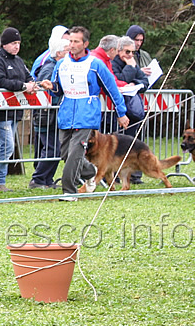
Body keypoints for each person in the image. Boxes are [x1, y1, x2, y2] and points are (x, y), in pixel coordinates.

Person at [40, 26, 129, 199]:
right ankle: (90, 172)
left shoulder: (95, 64)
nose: (71, 45)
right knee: (66, 154)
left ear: (85, 43)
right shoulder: (61, 63)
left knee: (75, 154)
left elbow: (112, 89)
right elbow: (58, 90)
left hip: (87, 115)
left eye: (76, 41)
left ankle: (69, 191)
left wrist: (121, 112)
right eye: (70, 41)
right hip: (66, 114)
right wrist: (51, 87)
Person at [0, 27, 35, 192]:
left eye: (18, 43)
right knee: (7, 145)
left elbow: (28, 77)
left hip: (15, 110)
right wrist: (22, 86)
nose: (16, 46)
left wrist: (32, 84)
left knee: (1, 146)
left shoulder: (18, 60)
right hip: (1, 110)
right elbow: (0, 80)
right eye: (13, 43)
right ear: (5, 44)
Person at [30, 38, 69, 189]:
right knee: (52, 148)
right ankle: (38, 179)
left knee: (55, 149)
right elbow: (41, 93)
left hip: (54, 115)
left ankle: (47, 179)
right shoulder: (48, 68)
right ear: (59, 53)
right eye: (67, 50)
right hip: (46, 115)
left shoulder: (58, 66)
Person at [112, 35, 149, 185]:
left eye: (132, 52)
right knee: (117, 144)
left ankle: (134, 175)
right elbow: (120, 78)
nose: (130, 55)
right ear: (119, 50)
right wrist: (130, 67)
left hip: (133, 110)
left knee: (134, 143)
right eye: (127, 52)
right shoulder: (114, 63)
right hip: (116, 112)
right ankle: (114, 174)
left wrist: (134, 81)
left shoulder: (132, 63)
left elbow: (145, 82)